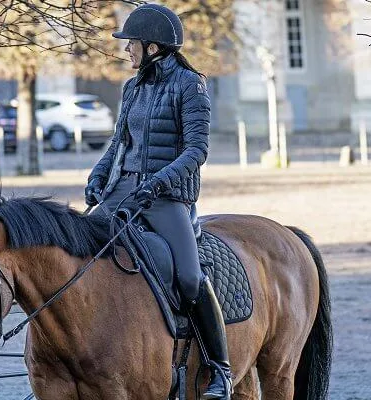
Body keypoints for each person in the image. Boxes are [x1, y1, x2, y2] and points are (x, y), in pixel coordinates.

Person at [84, 4, 232, 399]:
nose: (127, 50)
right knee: (79, 252)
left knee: (188, 277)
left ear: (152, 46)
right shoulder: (132, 88)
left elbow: (196, 151)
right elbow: (119, 143)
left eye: (131, 43)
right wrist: (99, 175)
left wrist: (157, 184)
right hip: (123, 190)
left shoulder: (190, 85)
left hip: (167, 198)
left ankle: (220, 369)